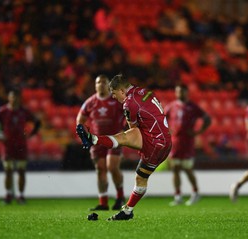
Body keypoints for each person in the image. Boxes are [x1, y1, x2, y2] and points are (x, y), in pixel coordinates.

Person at [76, 74, 172, 220]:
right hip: (164, 139)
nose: (114, 98)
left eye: (114, 94)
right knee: (140, 176)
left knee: (127, 140)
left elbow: (133, 127)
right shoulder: (142, 91)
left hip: (155, 143)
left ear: (121, 91)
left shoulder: (128, 103)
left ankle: (94, 139)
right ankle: (127, 210)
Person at [76, 75, 126, 211]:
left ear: (108, 85)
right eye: (99, 82)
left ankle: (120, 196)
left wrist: (127, 129)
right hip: (96, 140)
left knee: (112, 166)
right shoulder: (90, 102)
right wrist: (83, 134)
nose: (101, 85)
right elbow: (80, 119)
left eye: (104, 82)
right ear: (95, 85)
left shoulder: (116, 100)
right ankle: (103, 202)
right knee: (100, 169)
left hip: (115, 139)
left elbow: (128, 113)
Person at [0, 89, 41, 205]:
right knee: (8, 170)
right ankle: (8, 195)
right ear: (8, 98)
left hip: (21, 145)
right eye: (12, 97)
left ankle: (20, 196)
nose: (14, 99)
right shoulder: (2, 111)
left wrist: (31, 134)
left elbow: (37, 122)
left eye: (16, 97)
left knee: (21, 171)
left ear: (19, 98)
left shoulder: (24, 111)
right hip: (8, 145)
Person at [164, 84, 211, 206]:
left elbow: (207, 118)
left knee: (187, 168)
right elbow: (161, 118)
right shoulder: (172, 106)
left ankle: (195, 193)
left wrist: (199, 131)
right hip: (175, 141)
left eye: (182, 91)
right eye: (178, 91)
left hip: (187, 141)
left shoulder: (192, 107)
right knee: (175, 168)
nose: (180, 94)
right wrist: (167, 130)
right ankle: (178, 195)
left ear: (187, 92)